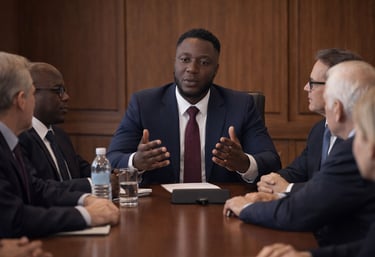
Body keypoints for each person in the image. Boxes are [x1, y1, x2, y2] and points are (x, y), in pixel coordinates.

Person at [223, 60, 375, 246]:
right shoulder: (322, 132)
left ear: (337, 109)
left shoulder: (355, 148)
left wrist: (246, 207)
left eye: (327, 100)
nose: (306, 88)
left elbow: (299, 211)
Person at [107, 28, 281, 186]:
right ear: (174, 63)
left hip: (222, 206)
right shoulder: (144, 104)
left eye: (204, 62)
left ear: (216, 69)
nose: (192, 69)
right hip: (160, 205)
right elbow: (112, 158)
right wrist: (136, 162)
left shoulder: (240, 105)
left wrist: (245, 163)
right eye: (185, 60)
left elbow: (271, 160)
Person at [0, 51, 119, 238]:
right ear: (21, 100)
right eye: (32, 94)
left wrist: (85, 198)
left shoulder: (9, 141)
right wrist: (86, 215)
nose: (66, 97)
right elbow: (13, 218)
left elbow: (37, 189)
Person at [255, 83, 375, 257]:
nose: (352, 145)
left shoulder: (347, 150)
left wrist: (247, 206)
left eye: (357, 137)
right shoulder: (318, 130)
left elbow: (317, 199)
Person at [257, 48, 362, 194]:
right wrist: (272, 180)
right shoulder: (319, 130)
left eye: (312, 83)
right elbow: (298, 171)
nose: (306, 88)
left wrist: (287, 188)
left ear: (333, 87)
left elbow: (334, 190)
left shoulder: (360, 136)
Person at [19, 62, 91, 182]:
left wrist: (116, 176)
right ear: (33, 92)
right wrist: (92, 185)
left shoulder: (59, 135)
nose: (66, 97)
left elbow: (84, 170)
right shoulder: (21, 138)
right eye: (58, 91)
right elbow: (40, 189)